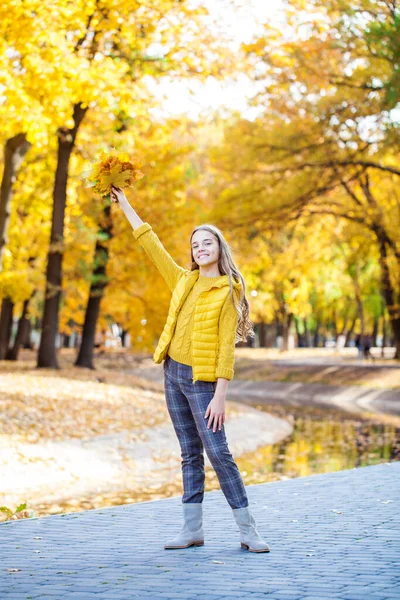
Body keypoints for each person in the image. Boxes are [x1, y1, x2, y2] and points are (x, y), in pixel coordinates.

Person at [111, 185, 270, 554]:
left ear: (219, 249)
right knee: (188, 452)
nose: (200, 249)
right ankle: (192, 530)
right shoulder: (183, 279)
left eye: (207, 244)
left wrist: (220, 397)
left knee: (219, 453)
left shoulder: (229, 289)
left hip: (204, 383)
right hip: (172, 374)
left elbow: (225, 350)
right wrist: (126, 205)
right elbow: (150, 243)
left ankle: (248, 531)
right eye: (195, 245)